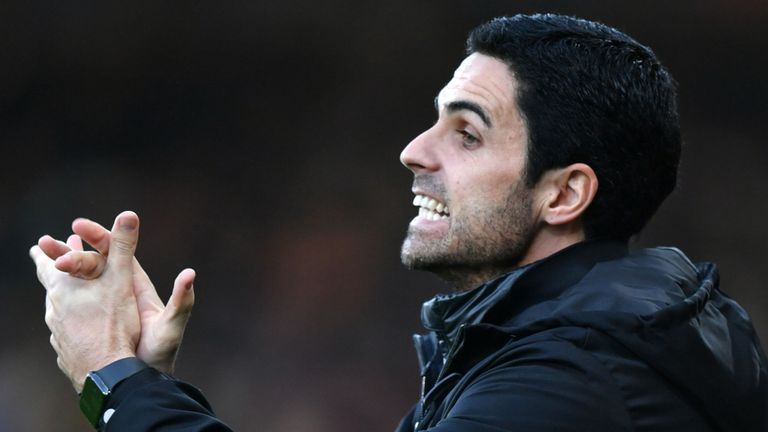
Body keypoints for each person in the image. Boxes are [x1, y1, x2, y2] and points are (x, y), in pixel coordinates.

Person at [30, 13, 767, 431]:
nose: (415, 151)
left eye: (467, 133)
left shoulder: (572, 379)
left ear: (564, 194)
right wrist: (144, 383)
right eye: (434, 120)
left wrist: (116, 381)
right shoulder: (590, 343)